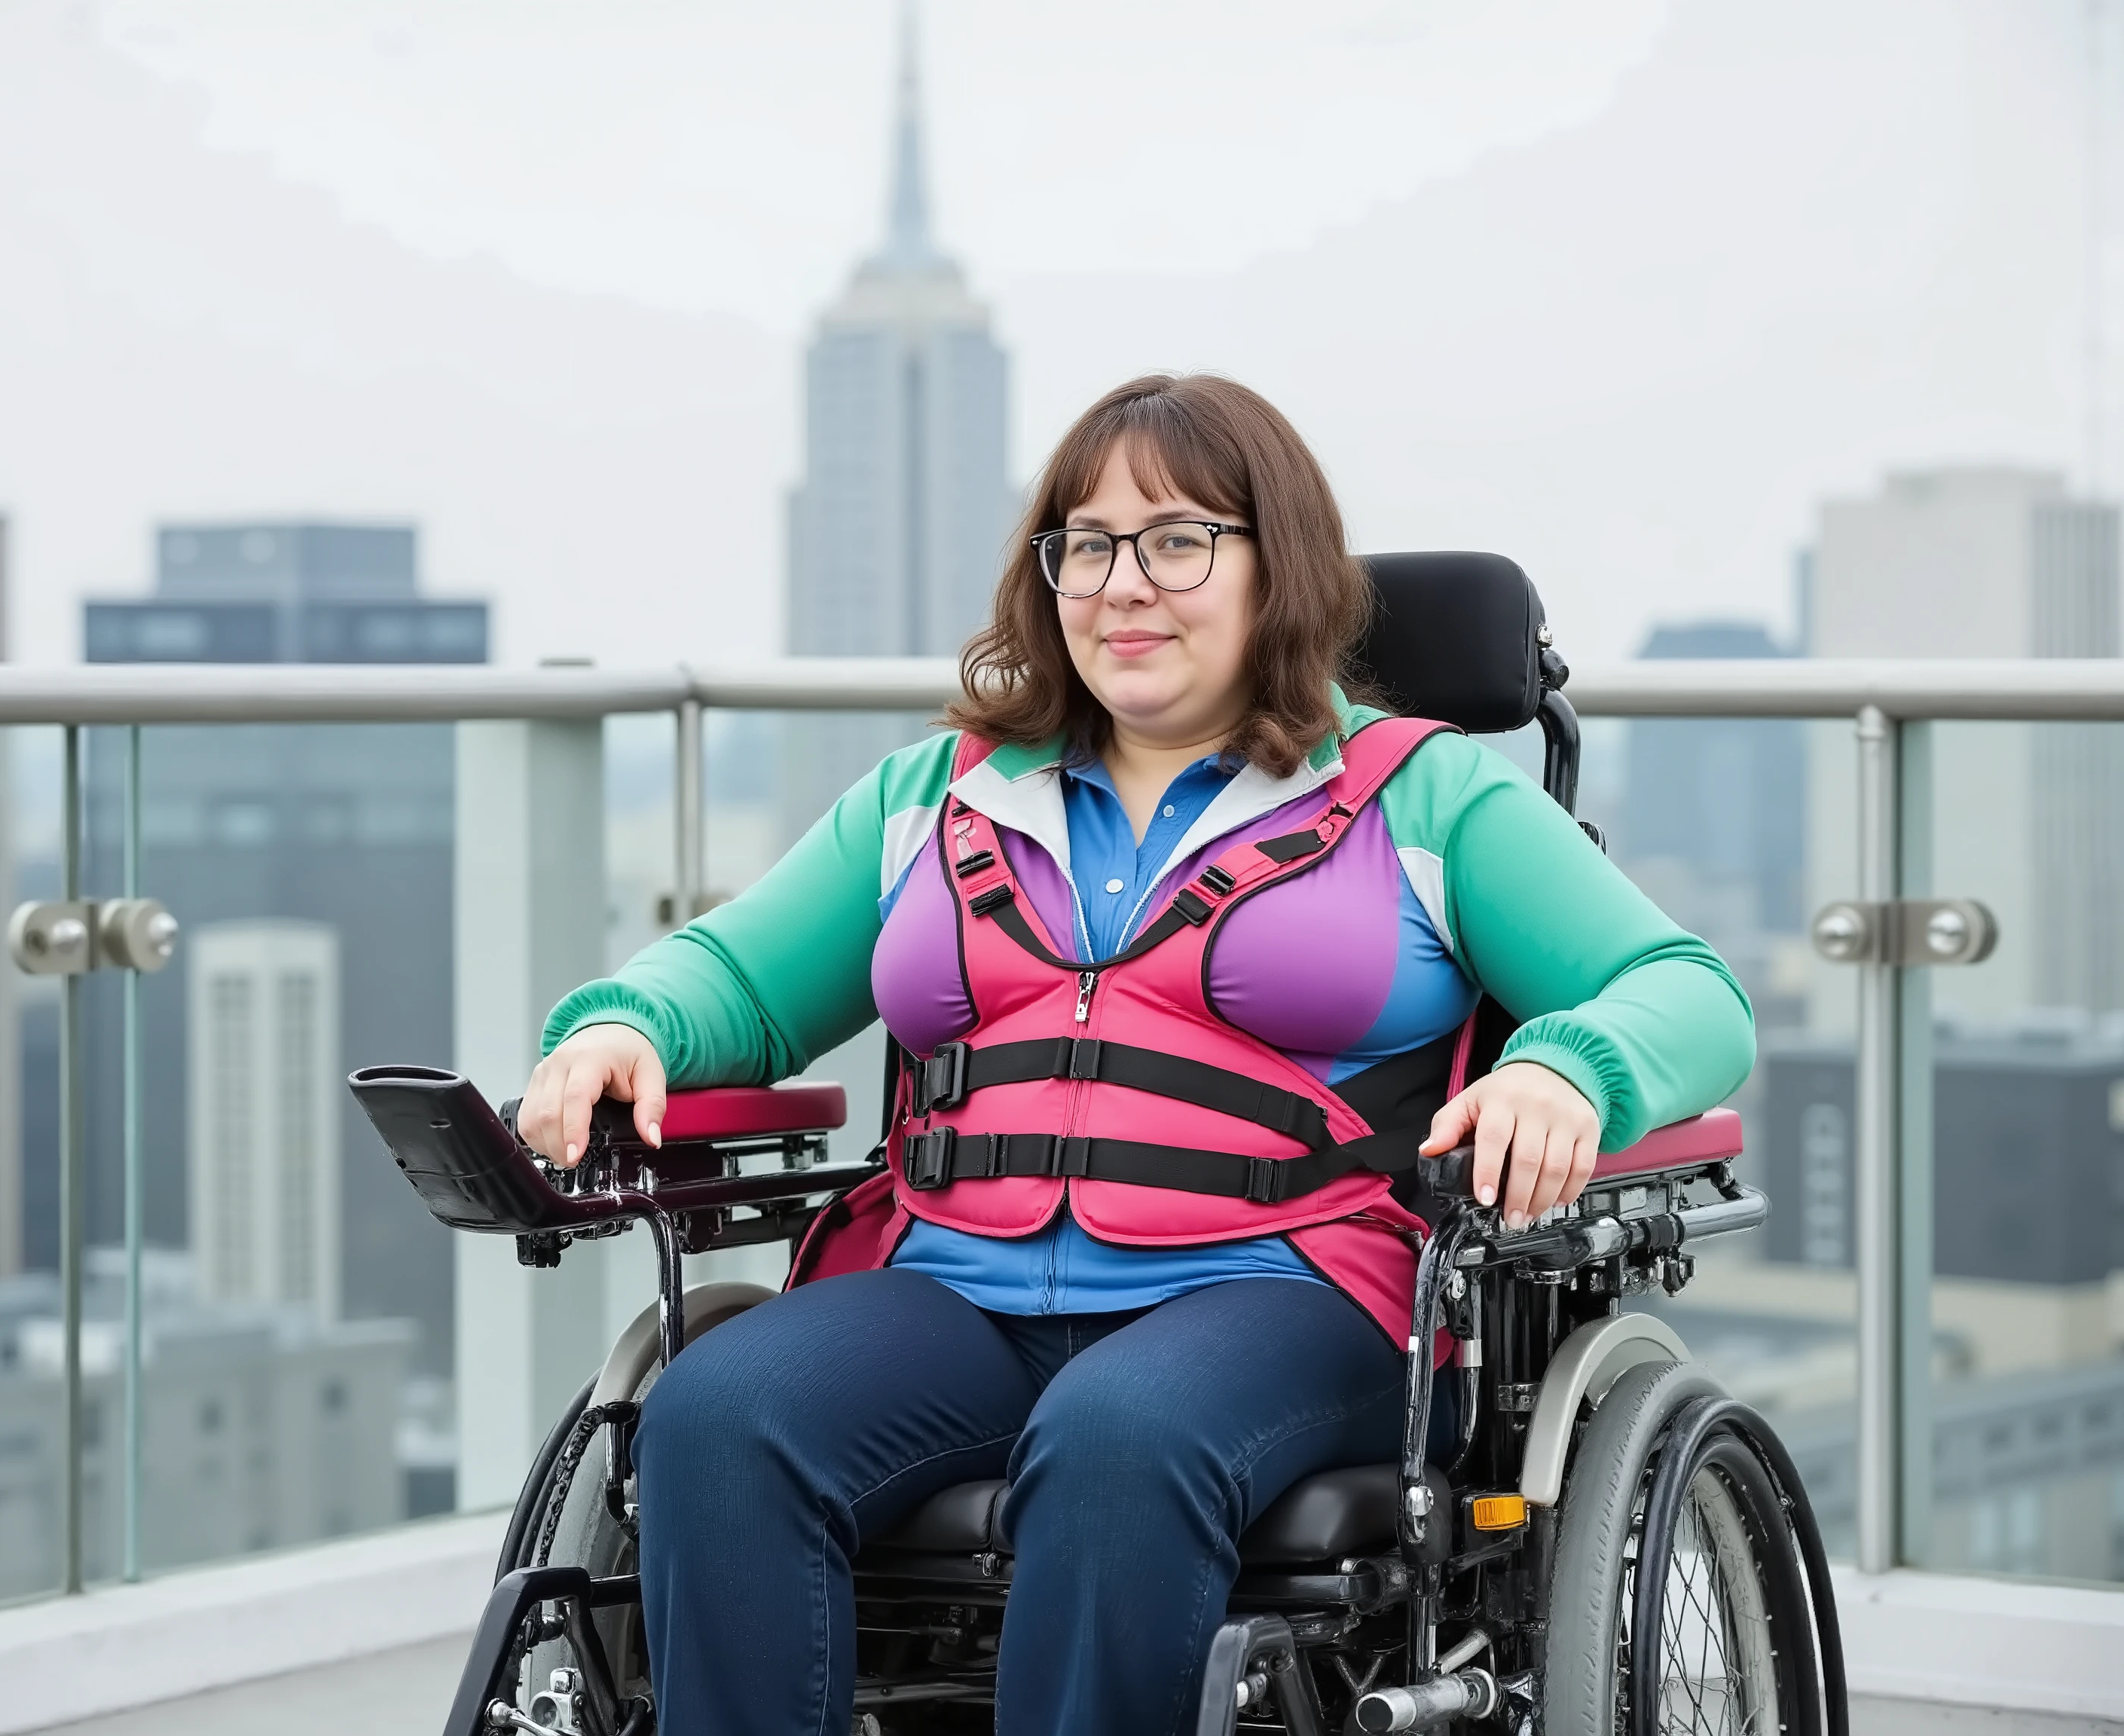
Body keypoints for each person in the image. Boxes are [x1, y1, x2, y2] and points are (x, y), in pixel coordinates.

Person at [518, 373, 1753, 1736]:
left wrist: (1565, 1067)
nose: (1124, 584)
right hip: (960, 1289)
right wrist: (623, 1024)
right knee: (715, 1418)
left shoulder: (1427, 795)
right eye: (1087, 545)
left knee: (1117, 1438)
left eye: (1177, 540)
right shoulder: (937, 796)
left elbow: (1686, 993)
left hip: (1291, 1290)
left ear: (1274, 567)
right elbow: (740, 980)